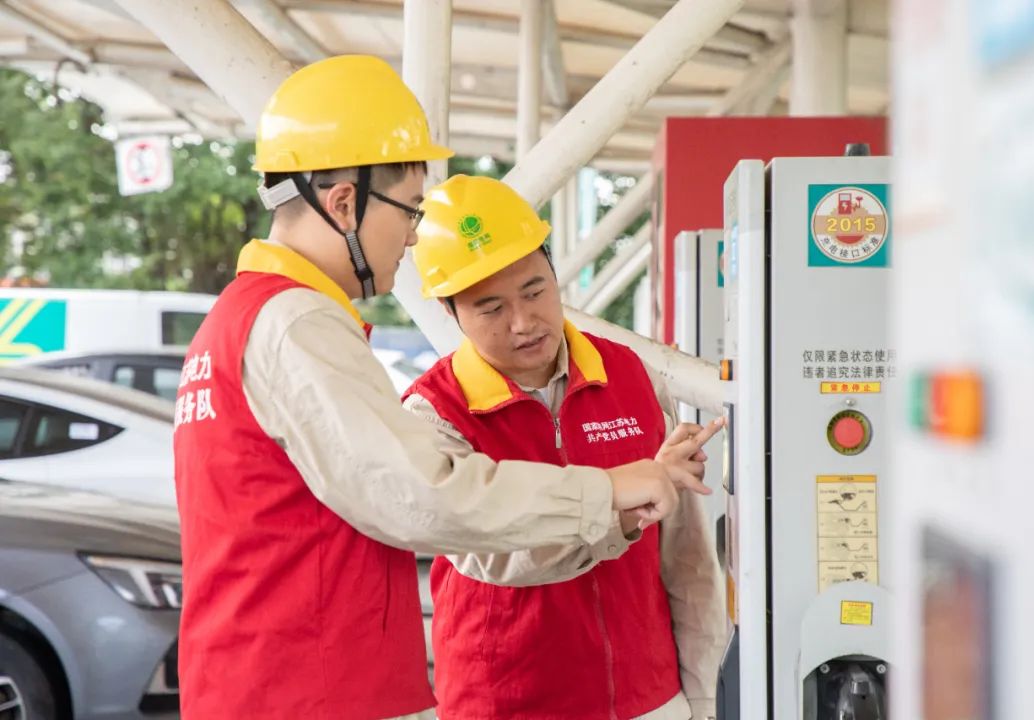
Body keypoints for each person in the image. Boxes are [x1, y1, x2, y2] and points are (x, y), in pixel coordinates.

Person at [172, 55, 704, 720]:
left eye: (534, 290)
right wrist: (607, 491)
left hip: (277, 685)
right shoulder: (297, 322)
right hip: (314, 692)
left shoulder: (241, 319)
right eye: (409, 210)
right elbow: (419, 495)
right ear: (344, 204)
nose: (412, 237)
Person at [404, 175, 728, 719]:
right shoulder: (435, 413)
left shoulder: (631, 376)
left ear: (555, 276)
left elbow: (688, 560)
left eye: (535, 291)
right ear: (448, 310)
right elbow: (493, 555)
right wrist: (620, 511)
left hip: (647, 698)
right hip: (507, 701)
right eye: (491, 308)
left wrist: (704, 698)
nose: (524, 323)